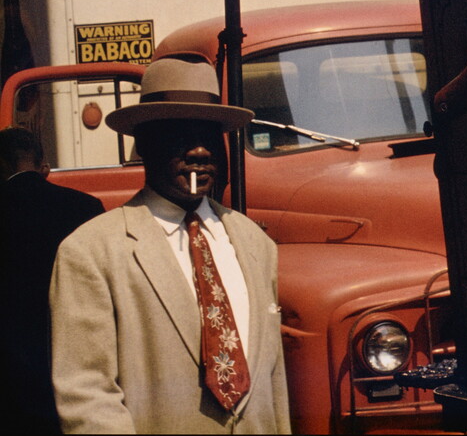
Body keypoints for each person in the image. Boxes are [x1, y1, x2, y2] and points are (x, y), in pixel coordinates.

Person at [49, 58, 291, 435]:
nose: (199, 151)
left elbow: (273, 386)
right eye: (179, 133)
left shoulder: (255, 244)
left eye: (209, 134)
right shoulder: (91, 252)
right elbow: (87, 396)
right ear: (143, 142)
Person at [0, 126, 105, 435]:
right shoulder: (85, 206)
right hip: (71, 353)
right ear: (40, 161)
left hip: (10, 365)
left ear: (3, 163)